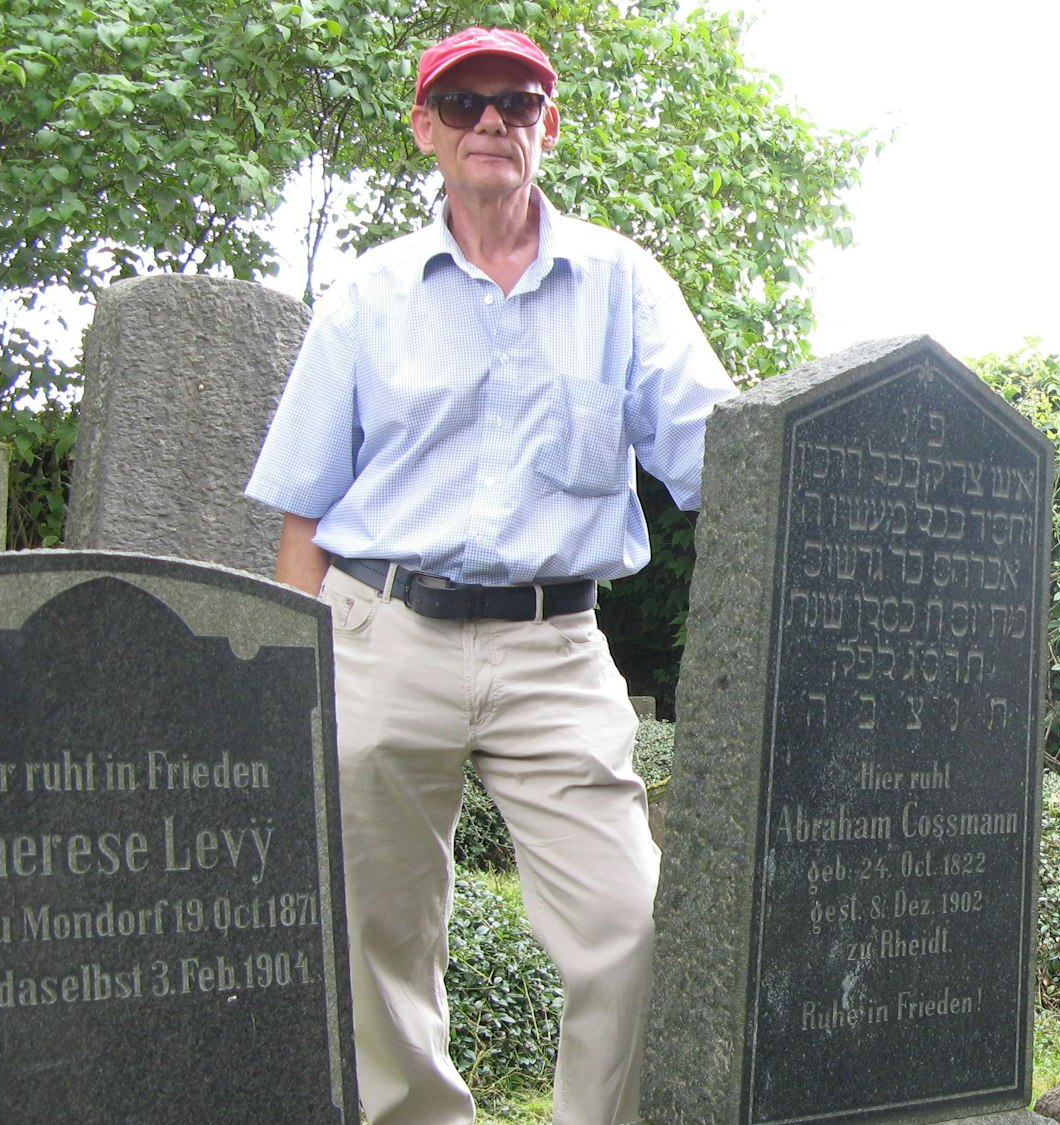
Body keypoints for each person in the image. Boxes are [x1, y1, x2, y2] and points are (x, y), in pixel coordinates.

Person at [245, 26, 736, 1125]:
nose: (490, 123)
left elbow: (726, 461)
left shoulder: (624, 286)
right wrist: (292, 674)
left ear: (546, 128)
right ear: (424, 128)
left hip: (552, 647)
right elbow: (305, 510)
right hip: (377, 630)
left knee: (628, 929)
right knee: (376, 938)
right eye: (462, 102)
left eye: (516, 103)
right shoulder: (367, 296)